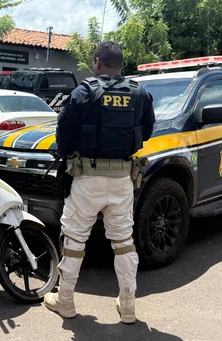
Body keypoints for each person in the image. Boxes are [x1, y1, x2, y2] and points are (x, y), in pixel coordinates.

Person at [44, 41, 155, 324]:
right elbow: (148, 130)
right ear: (121, 65)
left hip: (86, 179)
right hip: (122, 180)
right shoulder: (139, 93)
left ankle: (65, 300)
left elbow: (64, 135)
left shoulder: (83, 92)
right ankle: (128, 305)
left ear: (97, 63)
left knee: (74, 239)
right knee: (123, 242)